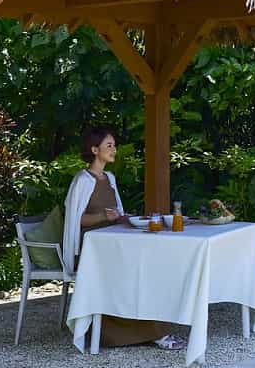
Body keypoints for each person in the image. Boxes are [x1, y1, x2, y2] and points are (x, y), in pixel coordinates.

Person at [63, 125, 184, 350]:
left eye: (114, 145)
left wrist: (130, 218)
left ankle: (156, 329)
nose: (114, 149)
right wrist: (102, 215)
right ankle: (153, 334)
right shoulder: (82, 180)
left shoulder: (109, 178)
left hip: (113, 241)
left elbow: (117, 211)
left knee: (146, 268)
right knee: (133, 273)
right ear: (94, 149)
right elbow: (76, 220)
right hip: (93, 249)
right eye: (109, 145)